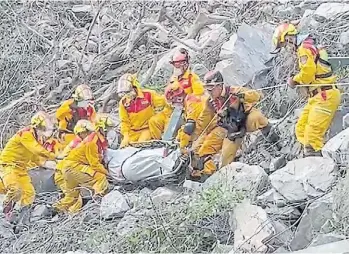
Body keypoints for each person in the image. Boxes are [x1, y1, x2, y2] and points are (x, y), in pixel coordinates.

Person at [188, 70, 279, 182]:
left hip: (246, 119)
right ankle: (212, 178)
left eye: (211, 88)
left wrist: (242, 95)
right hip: (230, 129)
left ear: (220, 85)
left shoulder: (234, 91)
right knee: (222, 158)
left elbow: (257, 96)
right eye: (207, 88)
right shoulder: (210, 103)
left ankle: (275, 141)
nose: (209, 91)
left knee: (258, 118)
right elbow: (203, 122)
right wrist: (191, 136)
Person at [272, 23, 341, 156]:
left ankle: (318, 165)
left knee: (312, 137)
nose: (287, 48)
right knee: (301, 129)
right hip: (317, 96)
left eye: (285, 44)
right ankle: (311, 159)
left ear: (289, 38)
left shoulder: (304, 48)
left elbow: (308, 73)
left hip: (324, 95)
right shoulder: (307, 45)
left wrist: (294, 80)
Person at [0, 111, 56, 225]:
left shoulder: (38, 139)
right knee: (15, 189)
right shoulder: (26, 134)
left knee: (29, 193)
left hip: (21, 169)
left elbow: (36, 157)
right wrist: (54, 155)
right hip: (9, 166)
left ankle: (22, 221)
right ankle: (4, 211)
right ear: (38, 127)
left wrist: (48, 163)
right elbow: (36, 149)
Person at [53, 114, 115, 213]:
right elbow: (94, 164)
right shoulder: (92, 142)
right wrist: (108, 174)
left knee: (73, 195)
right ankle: (97, 202)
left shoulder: (93, 140)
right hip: (71, 168)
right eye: (108, 128)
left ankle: (56, 210)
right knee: (100, 178)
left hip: (68, 169)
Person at [148, 47, 206, 142]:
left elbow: (199, 96)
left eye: (178, 65)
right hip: (169, 110)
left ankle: (169, 146)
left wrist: (185, 97)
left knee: (170, 128)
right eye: (175, 65)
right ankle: (156, 143)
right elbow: (166, 97)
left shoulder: (192, 78)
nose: (176, 67)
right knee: (153, 121)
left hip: (182, 112)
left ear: (185, 64)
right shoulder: (173, 78)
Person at [149, 80, 206, 149]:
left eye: (173, 103)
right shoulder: (188, 99)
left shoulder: (192, 102)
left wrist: (182, 145)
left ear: (179, 99)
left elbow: (190, 126)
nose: (173, 106)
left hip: (206, 128)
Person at [118, 73, 166, 148]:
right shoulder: (123, 103)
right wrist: (126, 136)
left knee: (140, 145)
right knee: (125, 149)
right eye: (125, 93)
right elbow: (124, 121)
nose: (128, 95)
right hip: (132, 132)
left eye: (129, 92)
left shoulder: (148, 95)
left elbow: (164, 102)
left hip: (146, 129)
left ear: (134, 87)